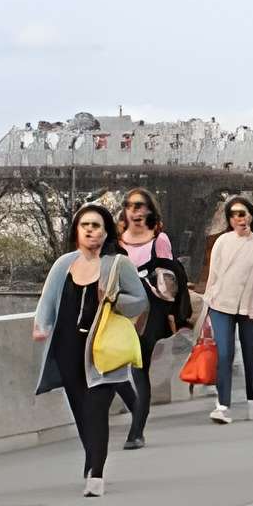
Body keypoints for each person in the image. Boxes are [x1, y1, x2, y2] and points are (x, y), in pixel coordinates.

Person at [32, 203, 151, 498]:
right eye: (84, 225)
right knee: (82, 412)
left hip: (104, 352)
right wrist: (41, 325)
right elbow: (48, 299)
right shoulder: (64, 264)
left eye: (96, 225)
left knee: (96, 410)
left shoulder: (118, 264)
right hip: (68, 350)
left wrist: (113, 298)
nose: (89, 230)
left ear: (106, 230)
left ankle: (95, 474)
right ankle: (92, 460)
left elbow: (140, 300)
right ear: (76, 231)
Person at [113, 189, 178, 453]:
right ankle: (138, 407)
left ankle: (136, 431)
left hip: (148, 314)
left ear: (150, 210)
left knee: (139, 369)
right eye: (130, 206)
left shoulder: (158, 240)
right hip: (119, 312)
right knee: (111, 367)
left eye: (141, 206)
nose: (136, 211)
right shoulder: (117, 240)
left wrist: (147, 281)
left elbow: (169, 278)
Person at [200, 196, 253, 425]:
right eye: (234, 215)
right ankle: (223, 406)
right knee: (225, 353)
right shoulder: (222, 241)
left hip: (251, 306)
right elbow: (214, 274)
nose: (239, 218)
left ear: (251, 215)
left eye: (243, 213)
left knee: (250, 353)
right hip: (221, 304)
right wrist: (208, 301)